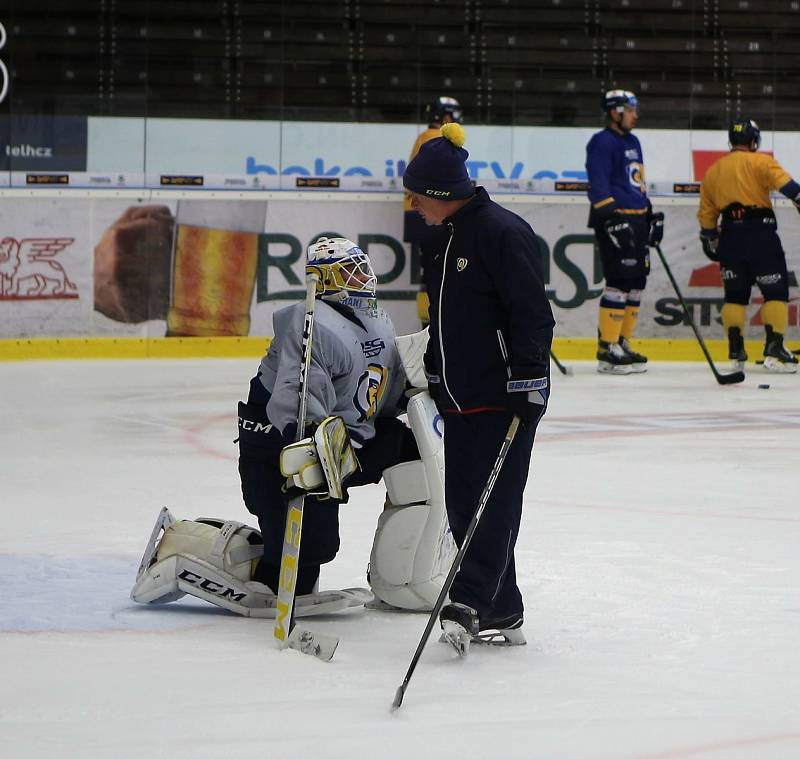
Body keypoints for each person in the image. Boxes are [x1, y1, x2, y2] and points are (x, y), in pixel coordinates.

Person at [131, 237, 457, 618]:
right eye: (348, 272)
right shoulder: (309, 327)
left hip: (344, 445)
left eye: (361, 268)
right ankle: (183, 549)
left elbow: (380, 391)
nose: (361, 278)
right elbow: (293, 403)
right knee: (304, 560)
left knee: (410, 454)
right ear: (323, 280)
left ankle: (403, 576)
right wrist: (312, 448)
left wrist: (424, 383)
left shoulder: (375, 319)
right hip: (282, 454)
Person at [403, 122, 555, 653]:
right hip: (461, 397)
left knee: (494, 504)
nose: (413, 204)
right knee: (465, 504)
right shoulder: (444, 238)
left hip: (504, 398)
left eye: (418, 195)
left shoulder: (502, 232)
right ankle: (504, 606)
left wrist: (529, 377)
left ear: (441, 192)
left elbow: (532, 314)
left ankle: (467, 601)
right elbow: (448, 319)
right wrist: (435, 371)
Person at [698, 118, 800, 373]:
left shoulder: (713, 170)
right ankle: (774, 350)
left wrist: (709, 236)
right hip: (760, 235)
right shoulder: (761, 161)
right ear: (753, 141)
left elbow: (707, 212)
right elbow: (790, 188)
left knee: (734, 295)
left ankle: (735, 351)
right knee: (775, 292)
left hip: (730, 236)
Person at [585, 89, 665, 375]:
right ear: (615, 112)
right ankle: (607, 350)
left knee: (636, 283)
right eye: (630, 110)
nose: (635, 115)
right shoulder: (601, 142)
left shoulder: (633, 141)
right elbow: (598, 184)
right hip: (614, 221)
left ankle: (622, 341)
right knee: (619, 282)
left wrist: (649, 212)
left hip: (637, 221)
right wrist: (612, 218)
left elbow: (636, 183)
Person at [404, 96, 463, 328]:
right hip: (429, 213)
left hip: (417, 214)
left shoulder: (424, 137)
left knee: (428, 270)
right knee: (435, 270)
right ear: (446, 117)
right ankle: (432, 320)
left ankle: (428, 320)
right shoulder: (437, 140)